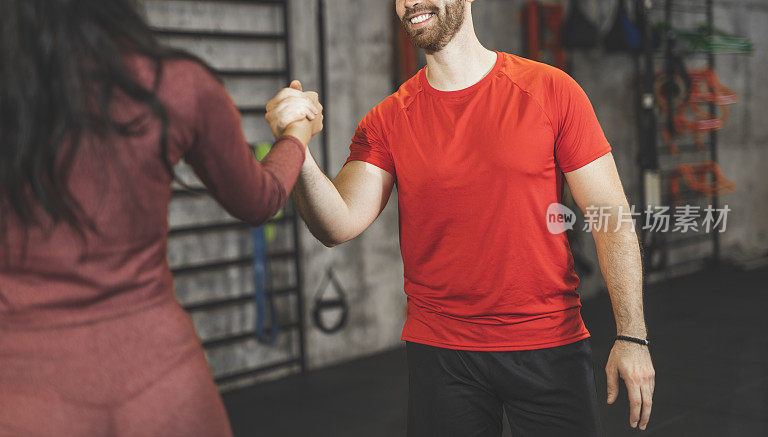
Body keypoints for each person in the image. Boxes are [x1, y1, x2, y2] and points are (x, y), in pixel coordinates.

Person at [269, 0, 655, 435]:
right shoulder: (389, 119)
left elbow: (611, 217)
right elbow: (335, 225)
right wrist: (295, 150)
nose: (411, 2)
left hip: (547, 343)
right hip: (442, 353)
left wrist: (631, 334)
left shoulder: (550, 90)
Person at [0, 0, 321, 435]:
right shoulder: (175, 82)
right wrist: (297, 133)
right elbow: (261, 200)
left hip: (17, 394)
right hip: (161, 384)